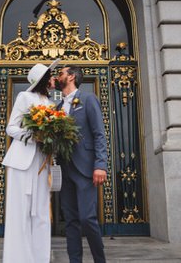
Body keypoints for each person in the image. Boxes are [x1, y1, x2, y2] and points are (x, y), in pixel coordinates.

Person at [1, 60, 60, 262]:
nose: (54, 78)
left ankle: (40, 258)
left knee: (42, 212)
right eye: (51, 75)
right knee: (20, 211)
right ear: (44, 79)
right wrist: (33, 135)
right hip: (21, 162)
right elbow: (11, 128)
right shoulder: (24, 96)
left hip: (43, 162)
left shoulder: (52, 105)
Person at [54, 65, 109, 263]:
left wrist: (100, 164)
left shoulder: (88, 99)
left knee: (87, 218)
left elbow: (99, 134)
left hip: (86, 168)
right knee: (71, 221)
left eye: (60, 73)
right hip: (65, 169)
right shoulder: (58, 107)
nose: (57, 76)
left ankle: (99, 260)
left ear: (71, 77)